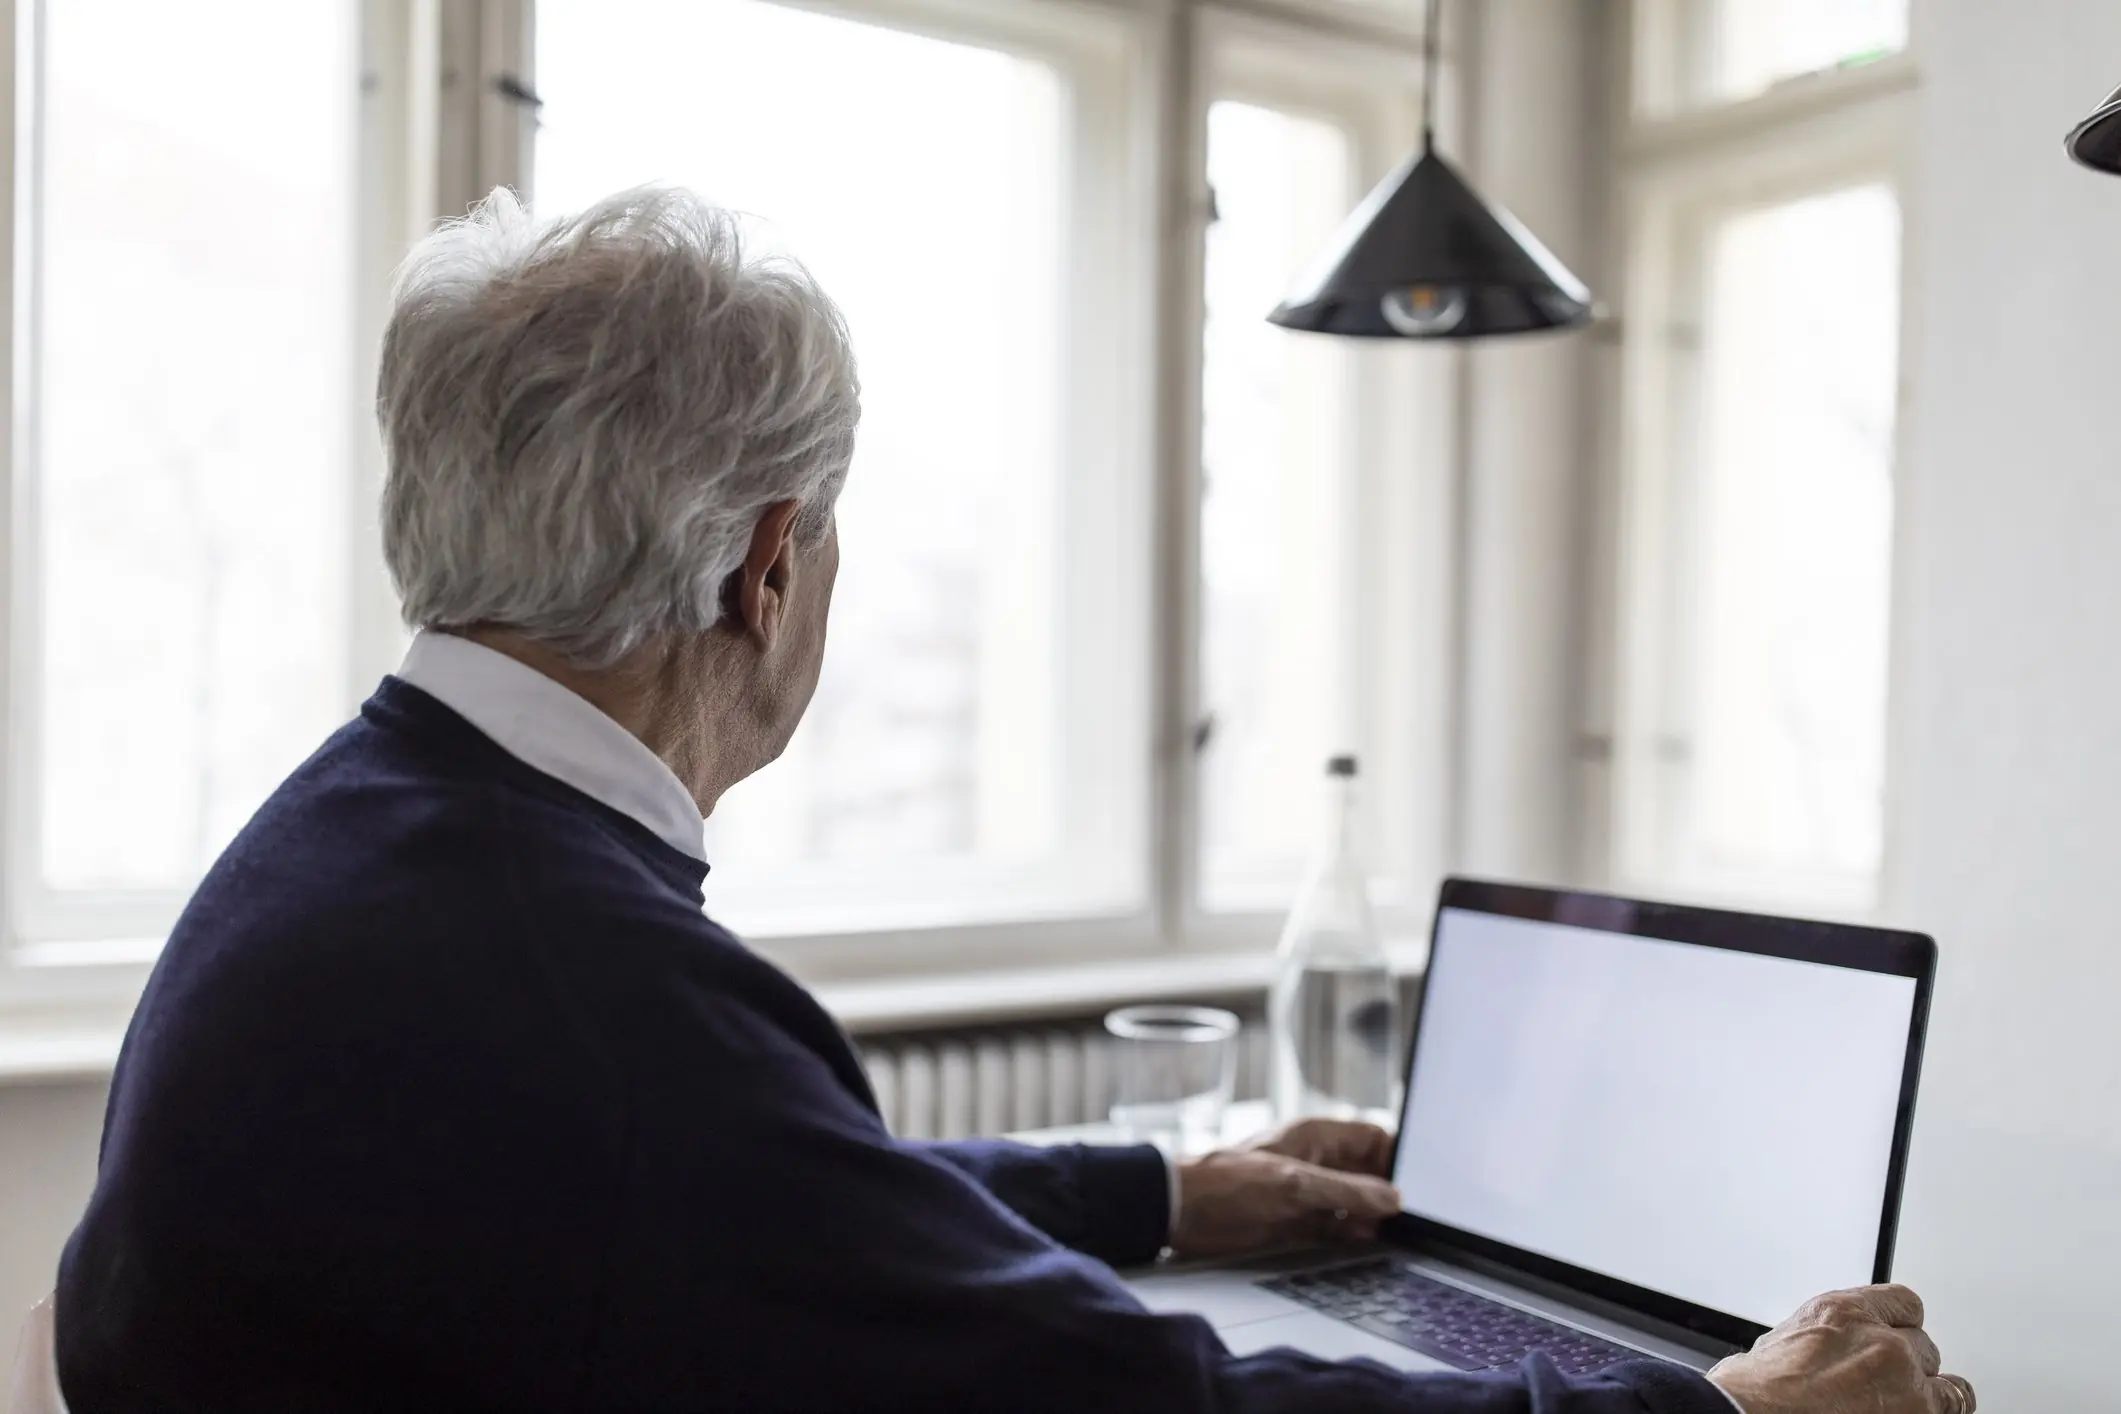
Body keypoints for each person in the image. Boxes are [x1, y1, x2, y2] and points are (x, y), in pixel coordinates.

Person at [54, 187, 1973, 1414]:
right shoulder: (581, 985)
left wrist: (1162, 1188)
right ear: (771, 565)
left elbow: (771, 1210)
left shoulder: (365, 835)